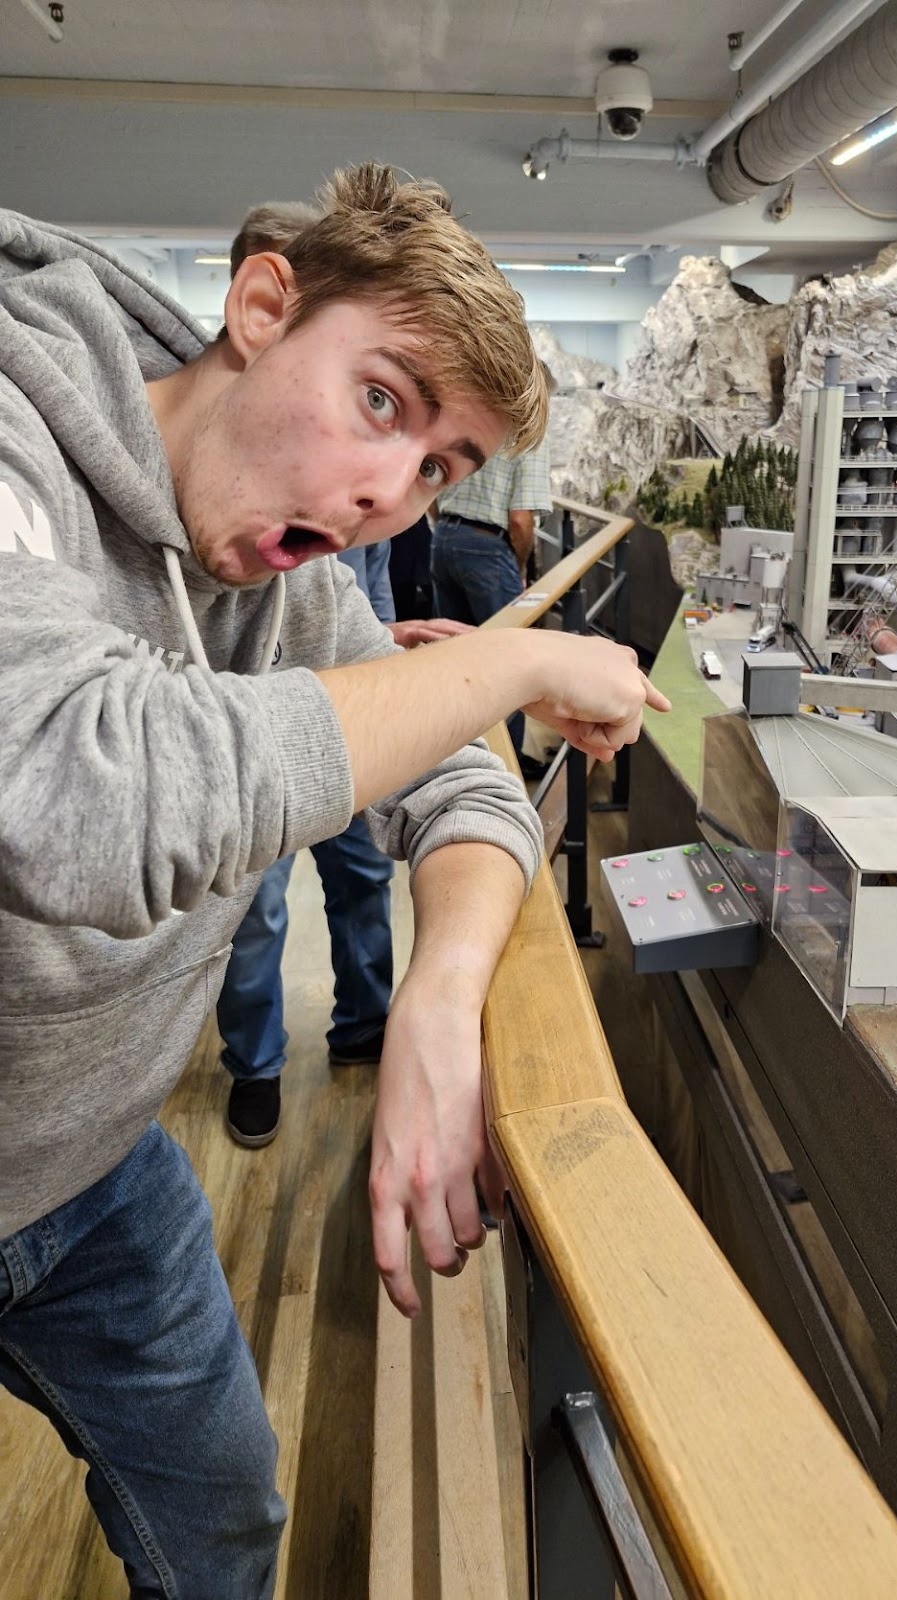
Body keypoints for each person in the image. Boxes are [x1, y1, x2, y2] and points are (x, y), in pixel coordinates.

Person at [0, 161, 668, 1595]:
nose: (382, 498)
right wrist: (515, 662)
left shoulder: (286, 584)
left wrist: (438, 995)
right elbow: (71, 790)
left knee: (226, 1515)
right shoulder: (17, 442)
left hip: (88, 1170)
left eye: (437, 470)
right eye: (381, 400)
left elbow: (467, 783)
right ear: (262, 306)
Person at [215, 205, 468, 1149]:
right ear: (256, 303)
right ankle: (255, 1066)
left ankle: (365, 1023)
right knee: (255, 905)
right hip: (258, 721)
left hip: (341, 700)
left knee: (361, 871)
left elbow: (349, 594)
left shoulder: (358, 502)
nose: (385, 491)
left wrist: (387, 643)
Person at [430, 365, 556, 769]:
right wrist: (518, 567)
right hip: (488, 549)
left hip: (444, 540)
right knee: (508, 663)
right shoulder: (527, 435)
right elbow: (521, 520)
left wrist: (447, 530)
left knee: (459, 660)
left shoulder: (476, 420)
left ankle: (462, 762)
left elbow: (433, 490)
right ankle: (507, 766)